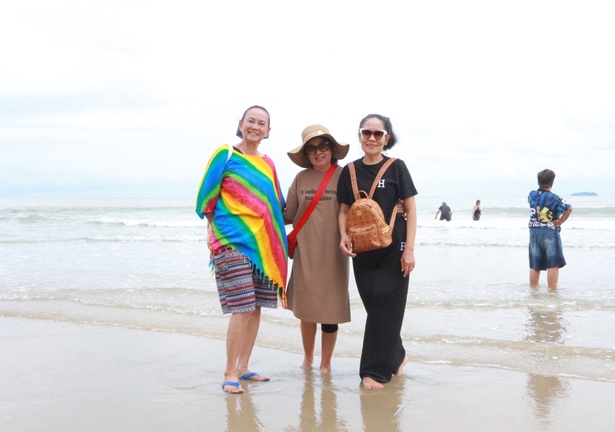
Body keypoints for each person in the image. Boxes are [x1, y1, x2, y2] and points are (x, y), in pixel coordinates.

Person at [195, 105, 288, 394]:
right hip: (231, 245)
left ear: (268, 131)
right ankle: (229, 371)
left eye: (262, 123)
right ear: (240, 124)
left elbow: (276, 204)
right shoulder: (225, 155)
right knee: (243, 308)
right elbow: (206, 199)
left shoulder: (268, 164)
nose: (255, 127)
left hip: (262, 247)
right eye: (251, 121)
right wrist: (219, 234)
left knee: (256, 307)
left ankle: (244, 366)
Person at [337, 113, 418, 390]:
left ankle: (373, 373)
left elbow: (411, 210)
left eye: (378, 133)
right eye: (366, 132)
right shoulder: (349, 171)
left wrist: (409, 250)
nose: (371, 138)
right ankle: (398, 355)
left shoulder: (397, 167)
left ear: (387, 138)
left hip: (395, 248)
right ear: (360, 135)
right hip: (362, 249)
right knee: (377, 309)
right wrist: (343, 237)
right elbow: (344, 210)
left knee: (386, 307)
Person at [284, 124, 351, 374]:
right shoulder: (300, 179)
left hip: (335, 253)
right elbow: (288, 215)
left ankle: (326, 363)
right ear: (306, 154)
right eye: (311, 149)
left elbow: (360, 208)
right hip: (306, 253)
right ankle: (308, 358)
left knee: (330, 311)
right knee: (307, 310)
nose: (318, 152)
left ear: (331, 149)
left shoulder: (345, 175)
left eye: (323, 146)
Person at [528, 169, 572, 289]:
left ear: (538, 182)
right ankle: (552, 291)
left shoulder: (532, 195)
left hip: (534, 231)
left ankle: (533, 290)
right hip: (549, 232)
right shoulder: (555, 198)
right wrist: (561, 221)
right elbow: (568, 208)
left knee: (535, 265)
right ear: (552, 183)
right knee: (553, 264)